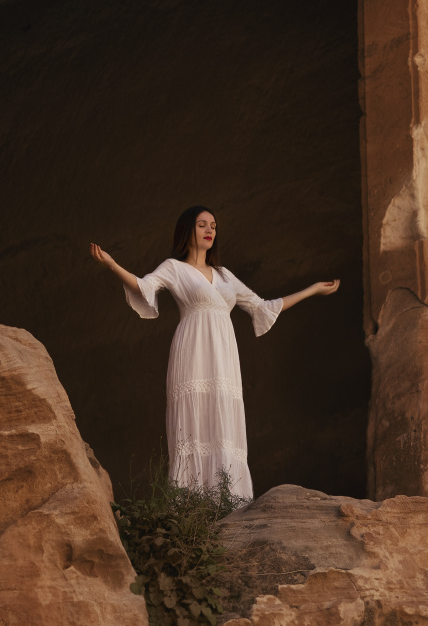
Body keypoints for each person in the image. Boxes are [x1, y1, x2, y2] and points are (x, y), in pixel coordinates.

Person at [89, 206, 339, 502]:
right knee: (193, 421)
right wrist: (112, 264)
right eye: (202, 224)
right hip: (192, 348)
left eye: (214, 226)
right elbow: (144, 286)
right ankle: (190, 507)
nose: (210, 230)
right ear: (188, 230)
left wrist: (312, 290)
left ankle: (229, 503)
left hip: (224, 355)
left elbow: (263, 306)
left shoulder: (224, 275)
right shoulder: (174, 268)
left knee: (224, 422)